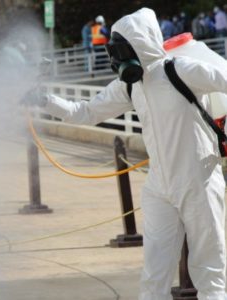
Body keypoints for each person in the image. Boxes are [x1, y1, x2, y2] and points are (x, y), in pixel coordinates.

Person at [23, 8, 227, 299]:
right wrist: (45, 101)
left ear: (141, 43)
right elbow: (87, 112)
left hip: (199, 181)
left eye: (122, 49)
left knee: (210, 273)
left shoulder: (180, 69)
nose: (118, 59)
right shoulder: (131, 86)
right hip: (159, 186)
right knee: (153, 274)